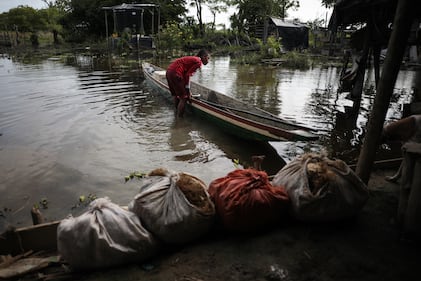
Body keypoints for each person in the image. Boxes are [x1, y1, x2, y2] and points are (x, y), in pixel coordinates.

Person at [166, 49, 210, 117]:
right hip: (176, 73)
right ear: (204, 57)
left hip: (169, 71)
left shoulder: (193, 59)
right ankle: (180, 120)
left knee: (176, 95)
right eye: (208, 58)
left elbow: (185, 74)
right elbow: (187, 75)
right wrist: (188, 91)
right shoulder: (198, 62)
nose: (208, 61)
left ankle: (176, 113)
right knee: (184, 98)